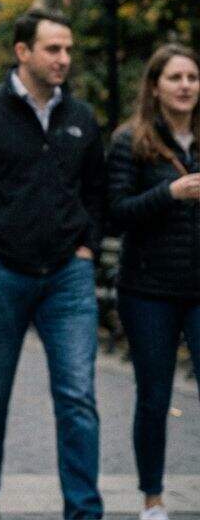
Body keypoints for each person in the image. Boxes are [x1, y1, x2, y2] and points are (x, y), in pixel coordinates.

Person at [0, 9, 107, 520]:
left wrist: (88, 247)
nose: (64, 59)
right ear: (23, 51)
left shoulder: (80, 118)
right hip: (1, 275)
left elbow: (97, 193)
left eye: (69, 50)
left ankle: (84, 510)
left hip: (66, 276)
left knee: (78, 395)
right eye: (54, 49)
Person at [107, 44, 200, 520]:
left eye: (192, 77)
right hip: (149, 291)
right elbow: (115, 214)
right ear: (156, 86)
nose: (186, 85)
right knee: (155, 396)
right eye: (175, 77)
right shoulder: (131, 141)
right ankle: (153, 500)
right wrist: (170, 193)